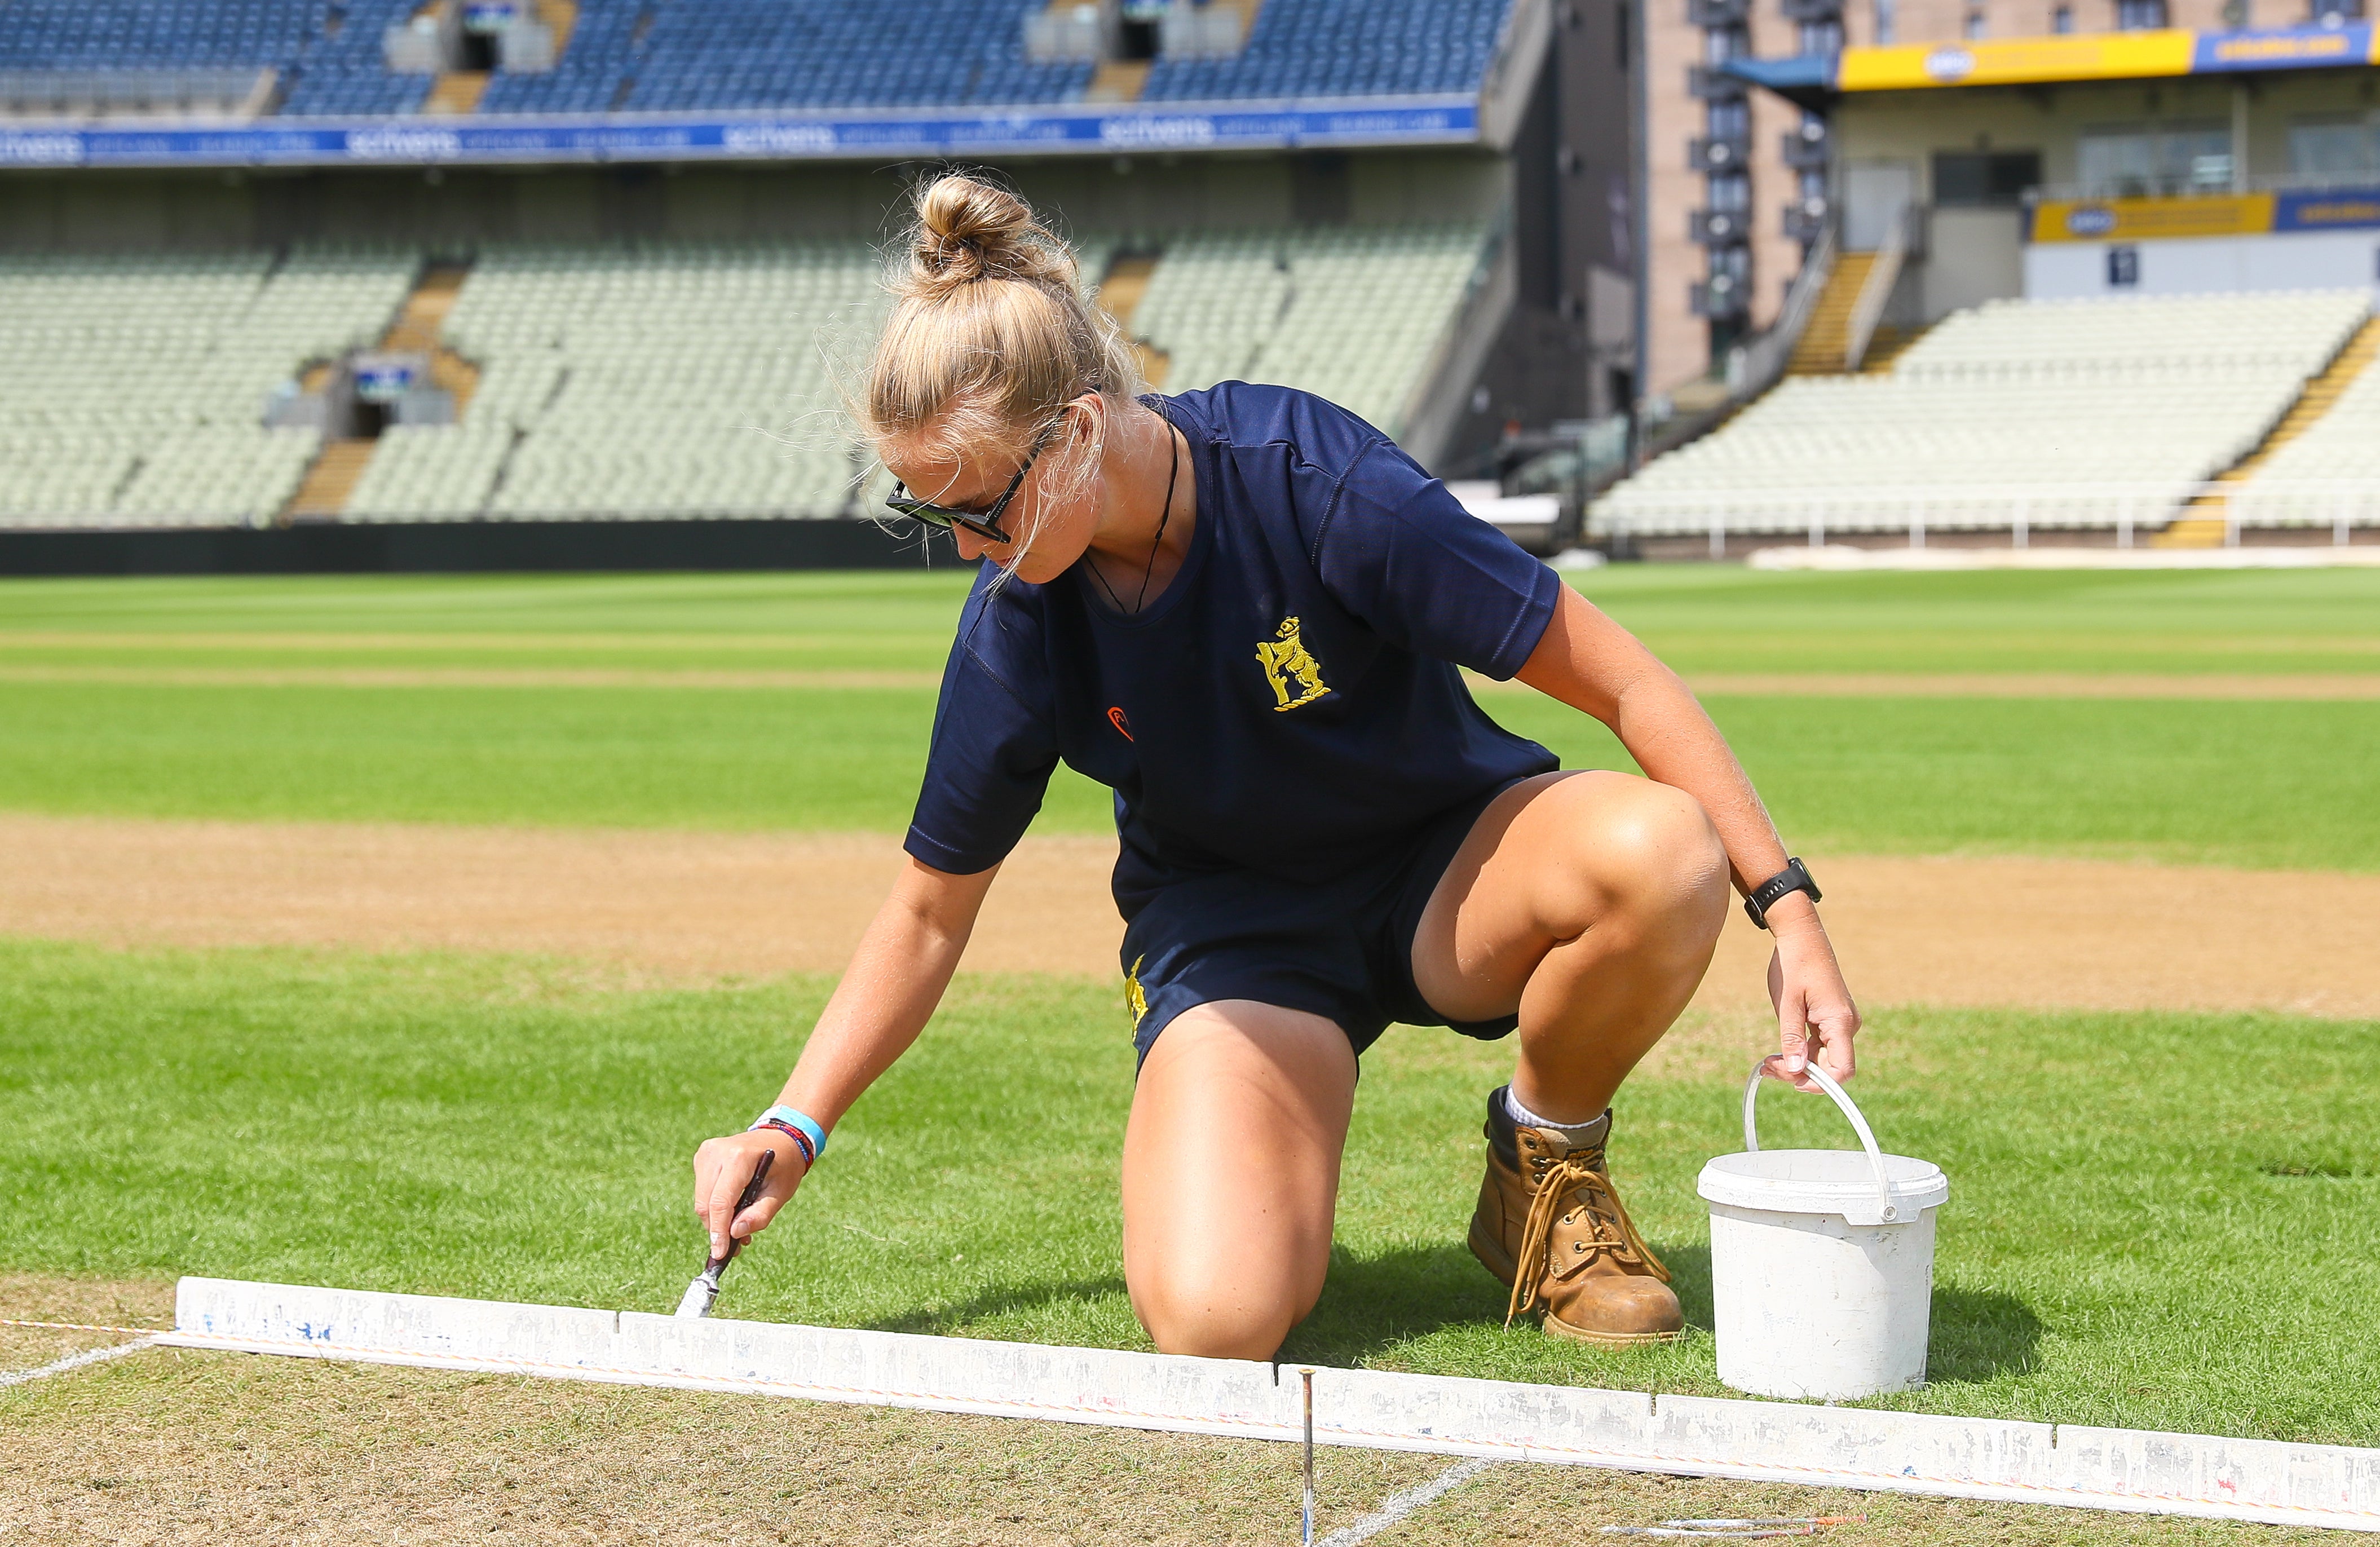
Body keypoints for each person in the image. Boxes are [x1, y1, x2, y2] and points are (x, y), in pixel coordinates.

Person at [692, 173, 1858, 1358]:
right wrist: (792, 1123)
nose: (962, 547)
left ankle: (1543, 1166)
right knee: (1214, 1321)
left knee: (1661, 851)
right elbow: (929, 914)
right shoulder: (1015, 618)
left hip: (1447, 877)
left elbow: (1624, 680)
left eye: (980, 507)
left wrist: (1789, 907)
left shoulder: (1311, 479)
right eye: (925, 505)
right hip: (1236, 938)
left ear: (1079, 431)